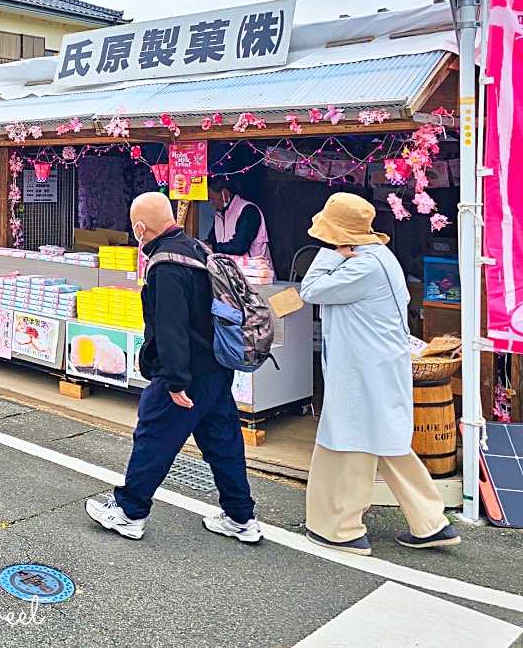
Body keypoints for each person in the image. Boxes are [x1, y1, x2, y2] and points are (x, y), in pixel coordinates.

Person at [86, 191, 261, 543]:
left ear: (139, 228)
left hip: (185, 373)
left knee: (154, 438)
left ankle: (129, 512)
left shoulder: (165, 265)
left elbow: (170, 328)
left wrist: (174, 380)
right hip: (216, 367)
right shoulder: (197, 248)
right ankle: (241, 517)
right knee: (223, 443)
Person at [299, 193, 460, 555]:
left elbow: (309, 290)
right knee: (386, 441)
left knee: (349, 441)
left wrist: (329, 251)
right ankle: (431, 521)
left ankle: (342, 528)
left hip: (360, 369)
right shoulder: (380, 256)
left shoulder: (361, 265)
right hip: (377, 364)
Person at [205, 177, 271, 266]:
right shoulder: (219, 216)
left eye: (212, 198)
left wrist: (213, 248)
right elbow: (212, 240)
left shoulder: (248, 210)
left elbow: (239, 246)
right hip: (231, 272)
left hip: (255, 273)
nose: (211, 202)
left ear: (224, 193)